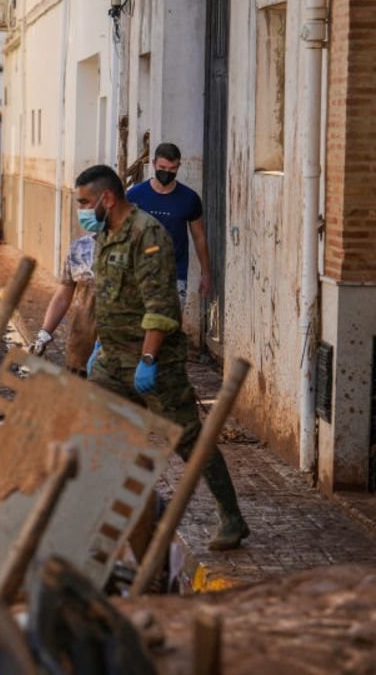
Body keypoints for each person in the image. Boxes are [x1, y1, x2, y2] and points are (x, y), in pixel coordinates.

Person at [76, 164, 248, 551]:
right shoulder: (106, 234)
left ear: (106, 198)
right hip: (112, 358)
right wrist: (100, 347)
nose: (81, 210)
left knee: (188, 439)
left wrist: (149, 360)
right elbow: (111, 298)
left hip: (153, 361)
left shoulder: (146, 234)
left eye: (85, 202)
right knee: (98, 432)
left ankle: (232, 517)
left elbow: (161, 306)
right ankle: (107, 517)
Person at [125, 143, 212, 308]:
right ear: (153, 164)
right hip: (137, 272)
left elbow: (199, 237)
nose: (167, 172)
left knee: (168, 327)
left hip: (175, 274)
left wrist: (206, 274)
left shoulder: (189, 199)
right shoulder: (134, 195)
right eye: (162, 167)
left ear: (179, 166)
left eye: (172, 169)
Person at [29, 234, 97, 376]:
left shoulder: (133, 245)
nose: (85, 212)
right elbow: (62, 297)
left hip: (121, 352)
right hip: (82, 348)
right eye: (82, 209)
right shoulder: (80, 248)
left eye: (90, 209)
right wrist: (43, 335)